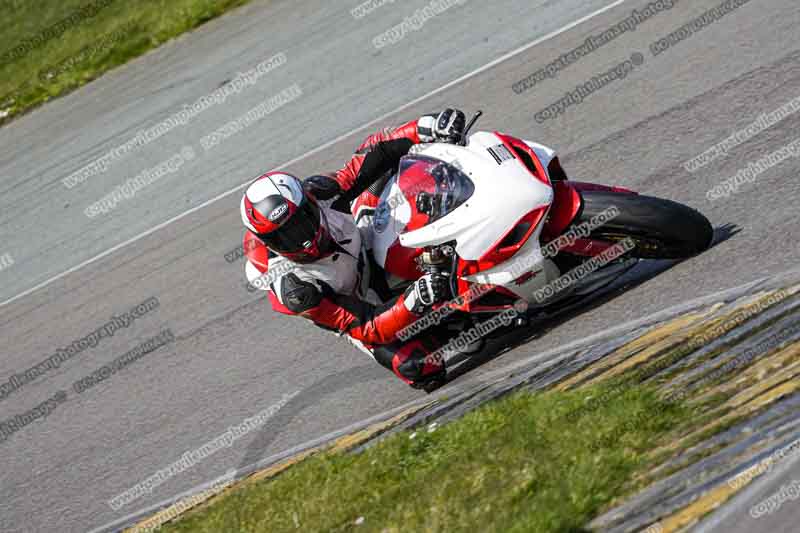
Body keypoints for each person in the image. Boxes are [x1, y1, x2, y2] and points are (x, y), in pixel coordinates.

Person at [240, 109, 469, 389]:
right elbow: (366, 325)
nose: (302, 240)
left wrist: (427, 127)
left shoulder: (320, 192)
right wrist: (414, 300)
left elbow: (376, 151)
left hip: (363, 239)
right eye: (285, 238)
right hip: (359, 300)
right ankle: (457, 321)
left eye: (302, 223)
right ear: (270, 244)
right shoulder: (299, 291)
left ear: (310, 203)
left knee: (407, 171)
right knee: (420, 366)